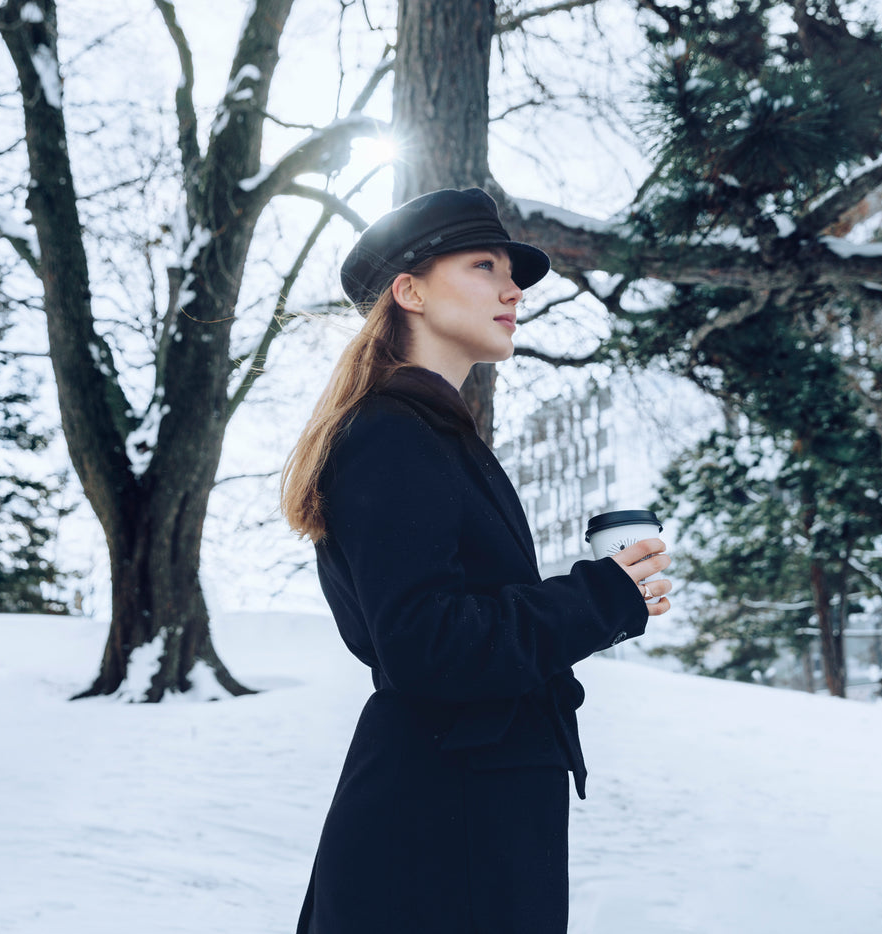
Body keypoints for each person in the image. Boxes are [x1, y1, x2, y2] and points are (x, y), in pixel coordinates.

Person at [280, 188, 673, 934]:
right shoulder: (392, 434)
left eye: (511, 273)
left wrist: (607, 598)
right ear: (411, 292)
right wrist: (599, 598)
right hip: (437, 834)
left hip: (465, 816)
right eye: (484, 266)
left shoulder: (434, 435)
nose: (513, 289)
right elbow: (428, 644)